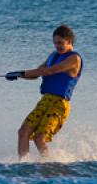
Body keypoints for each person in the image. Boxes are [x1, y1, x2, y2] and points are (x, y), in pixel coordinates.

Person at [5, 25, 83, 160]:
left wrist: (22, 72)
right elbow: (36, 73)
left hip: (59, 104)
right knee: (23, 131)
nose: (57, 46)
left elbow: (50, 71)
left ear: (69, 41)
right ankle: (23, 165)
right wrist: (18, 75)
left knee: (39, 137)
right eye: (55, 43)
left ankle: (48, 164)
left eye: (60, 43)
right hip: (45, 101)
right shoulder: (53, 56)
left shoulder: (74, 59)